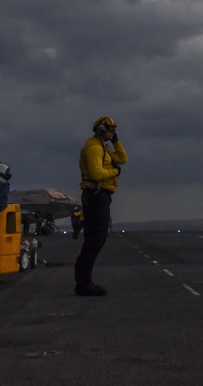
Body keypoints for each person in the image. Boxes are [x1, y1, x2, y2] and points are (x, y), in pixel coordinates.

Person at [74, 116, 128, 296]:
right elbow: (97, 173)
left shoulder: (103, 148)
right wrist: (114, 172)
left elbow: (123, 158)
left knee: (97, 239)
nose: (113, 132)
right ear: (101, 129)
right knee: (94, 240)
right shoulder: (95, 148)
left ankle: (84, 281)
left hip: (101, 196)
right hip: (96, 195)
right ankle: (83, 283)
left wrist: (116, 141)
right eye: (111, 129)